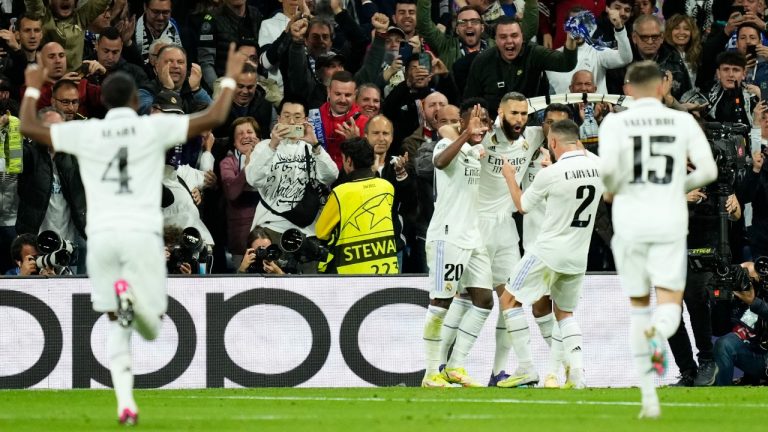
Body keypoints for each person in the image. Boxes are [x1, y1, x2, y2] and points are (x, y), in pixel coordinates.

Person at [19, 43, 247, 424]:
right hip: (142, 235)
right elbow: (216, 115)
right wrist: (228, 77)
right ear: (134, 100)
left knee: (115, 322)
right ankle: (134, 307)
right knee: (151, 325)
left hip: (103, 237)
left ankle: (125, 402)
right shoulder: (151, 127)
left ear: (105, 102)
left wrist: (31, 86)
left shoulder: (85, 132)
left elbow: (28, 125)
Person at [598, 60, 718, 419]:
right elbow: (708, 171)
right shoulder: (682, 121)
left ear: (630, 89)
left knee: (640, 304)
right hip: (669, 223)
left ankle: (650, 395)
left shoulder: (614, 123)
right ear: (661, 87)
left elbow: (608, 184)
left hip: (632, 223)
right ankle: (663, 331)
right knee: (670, 303)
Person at [498, 119, 603, 390]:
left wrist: (510, 176)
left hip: (547, 251)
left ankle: (526, 368)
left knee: (509, 300)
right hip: (579, 256)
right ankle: (577, 375)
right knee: (565, 314)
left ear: (553, 143)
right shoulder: (599, 166)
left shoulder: (551, 174)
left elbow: (522, 206)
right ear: (577, 140)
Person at [421, 104, 494, 388]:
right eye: (476, 121)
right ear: (463, 123)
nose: (481, 127)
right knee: (441, 302)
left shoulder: (474, 152)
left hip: (472, 237)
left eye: (485, 122)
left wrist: (472, 139)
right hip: (447, 237)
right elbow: (438, 163)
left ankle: (456, 366)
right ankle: (430, 373)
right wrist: (464, 135)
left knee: (484, 300)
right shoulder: (447, 143)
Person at [315, 137, 398, 274]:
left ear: (349, 161)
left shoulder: (341, 192)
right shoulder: (387, 187)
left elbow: (321, 232)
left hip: (349, 271)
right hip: (387, 266)